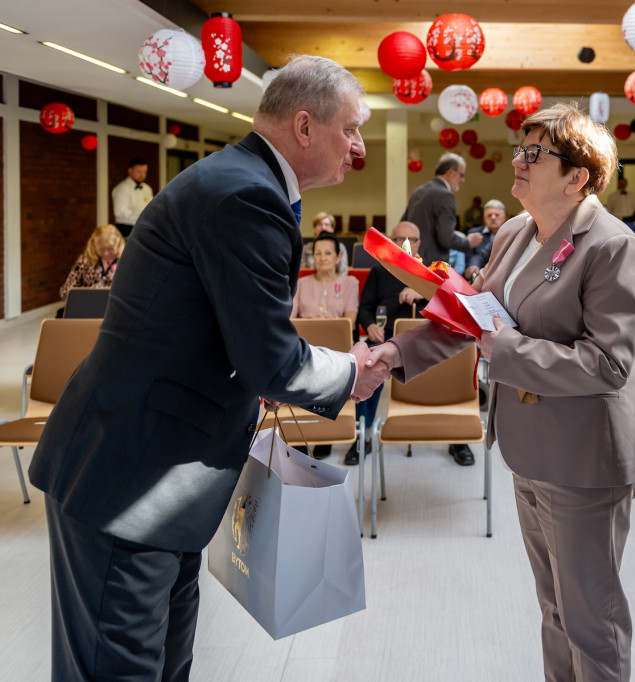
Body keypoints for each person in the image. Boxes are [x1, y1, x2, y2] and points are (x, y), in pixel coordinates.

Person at [28, 55, 391, 682]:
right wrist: (347, 373)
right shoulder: (246, 195)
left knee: (162, 663)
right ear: (305, 127)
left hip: (160, 477)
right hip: (131, 479)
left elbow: (228, 334)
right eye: (352, 129)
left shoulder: (244, 181)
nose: (358, 147)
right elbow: (266, 358)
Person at [369, 102, 635, 681]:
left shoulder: (611, 245)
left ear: (578, 176)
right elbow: (473, 316)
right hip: (528, 449)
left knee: (591, 621)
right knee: (554, 610)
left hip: (585, 460)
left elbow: (609, 364)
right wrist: (395, 353)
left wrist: (506, 349)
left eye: (535, 153)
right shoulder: (518, 232)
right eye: (520, 149)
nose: (517, 161)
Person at [352, 221, 480, 466]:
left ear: (420, 243)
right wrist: (370, 326)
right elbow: (365, 309)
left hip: (426, 335)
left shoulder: (434, 269)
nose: (404, 244)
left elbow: (456, 305)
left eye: (410, 239)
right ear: (391, 241)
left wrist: (421, 292)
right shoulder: (379, 271)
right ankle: (363, 436)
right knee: (367, 363)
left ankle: (458, 439)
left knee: (455, 358)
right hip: (386, 334)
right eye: (398, 239)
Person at [292, 232, 360, 459]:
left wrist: (314, 326)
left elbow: (349, 322)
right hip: (305, 349)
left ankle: (324, 434)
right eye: (317, 253)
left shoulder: (350, 282)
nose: (322, 258)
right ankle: (302, 432)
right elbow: (290, 320)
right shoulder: (301, 283)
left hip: (336, 351)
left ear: (339, 256)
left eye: (328, 253)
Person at [402, 152, 482, 267]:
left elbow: (404, 225)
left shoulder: (418, 191)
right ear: (450, 172)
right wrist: (468, 242)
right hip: (432, 266)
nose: (462, 180)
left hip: (412, 260)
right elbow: (446, 238)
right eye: (461, 175)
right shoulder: (445, 195)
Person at [59, 224, 124, 300]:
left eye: (110, 249)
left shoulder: (125, 261)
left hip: (114, 307)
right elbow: (65, 291)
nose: (106, 253)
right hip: (85, 306)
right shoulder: (85, 260)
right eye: (102, 249)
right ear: (94, 245)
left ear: (119, 244)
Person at [464, 199, 508, 281]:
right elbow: (470, 256)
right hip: (478, 277)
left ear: (504, 217)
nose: (493, 217)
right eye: (489, 215)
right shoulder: (474, 233)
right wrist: (472, 266)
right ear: (484, 218)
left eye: (497, 215)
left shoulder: (511, 234)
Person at [111, 157, 153, 239]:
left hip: (144, 228)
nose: (142, 175)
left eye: (144, 172)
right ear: (130, 171)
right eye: (139, 172)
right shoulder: (122, 189)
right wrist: (142, 216)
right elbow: (120, 212)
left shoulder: (147, 189)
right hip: (127, 229)